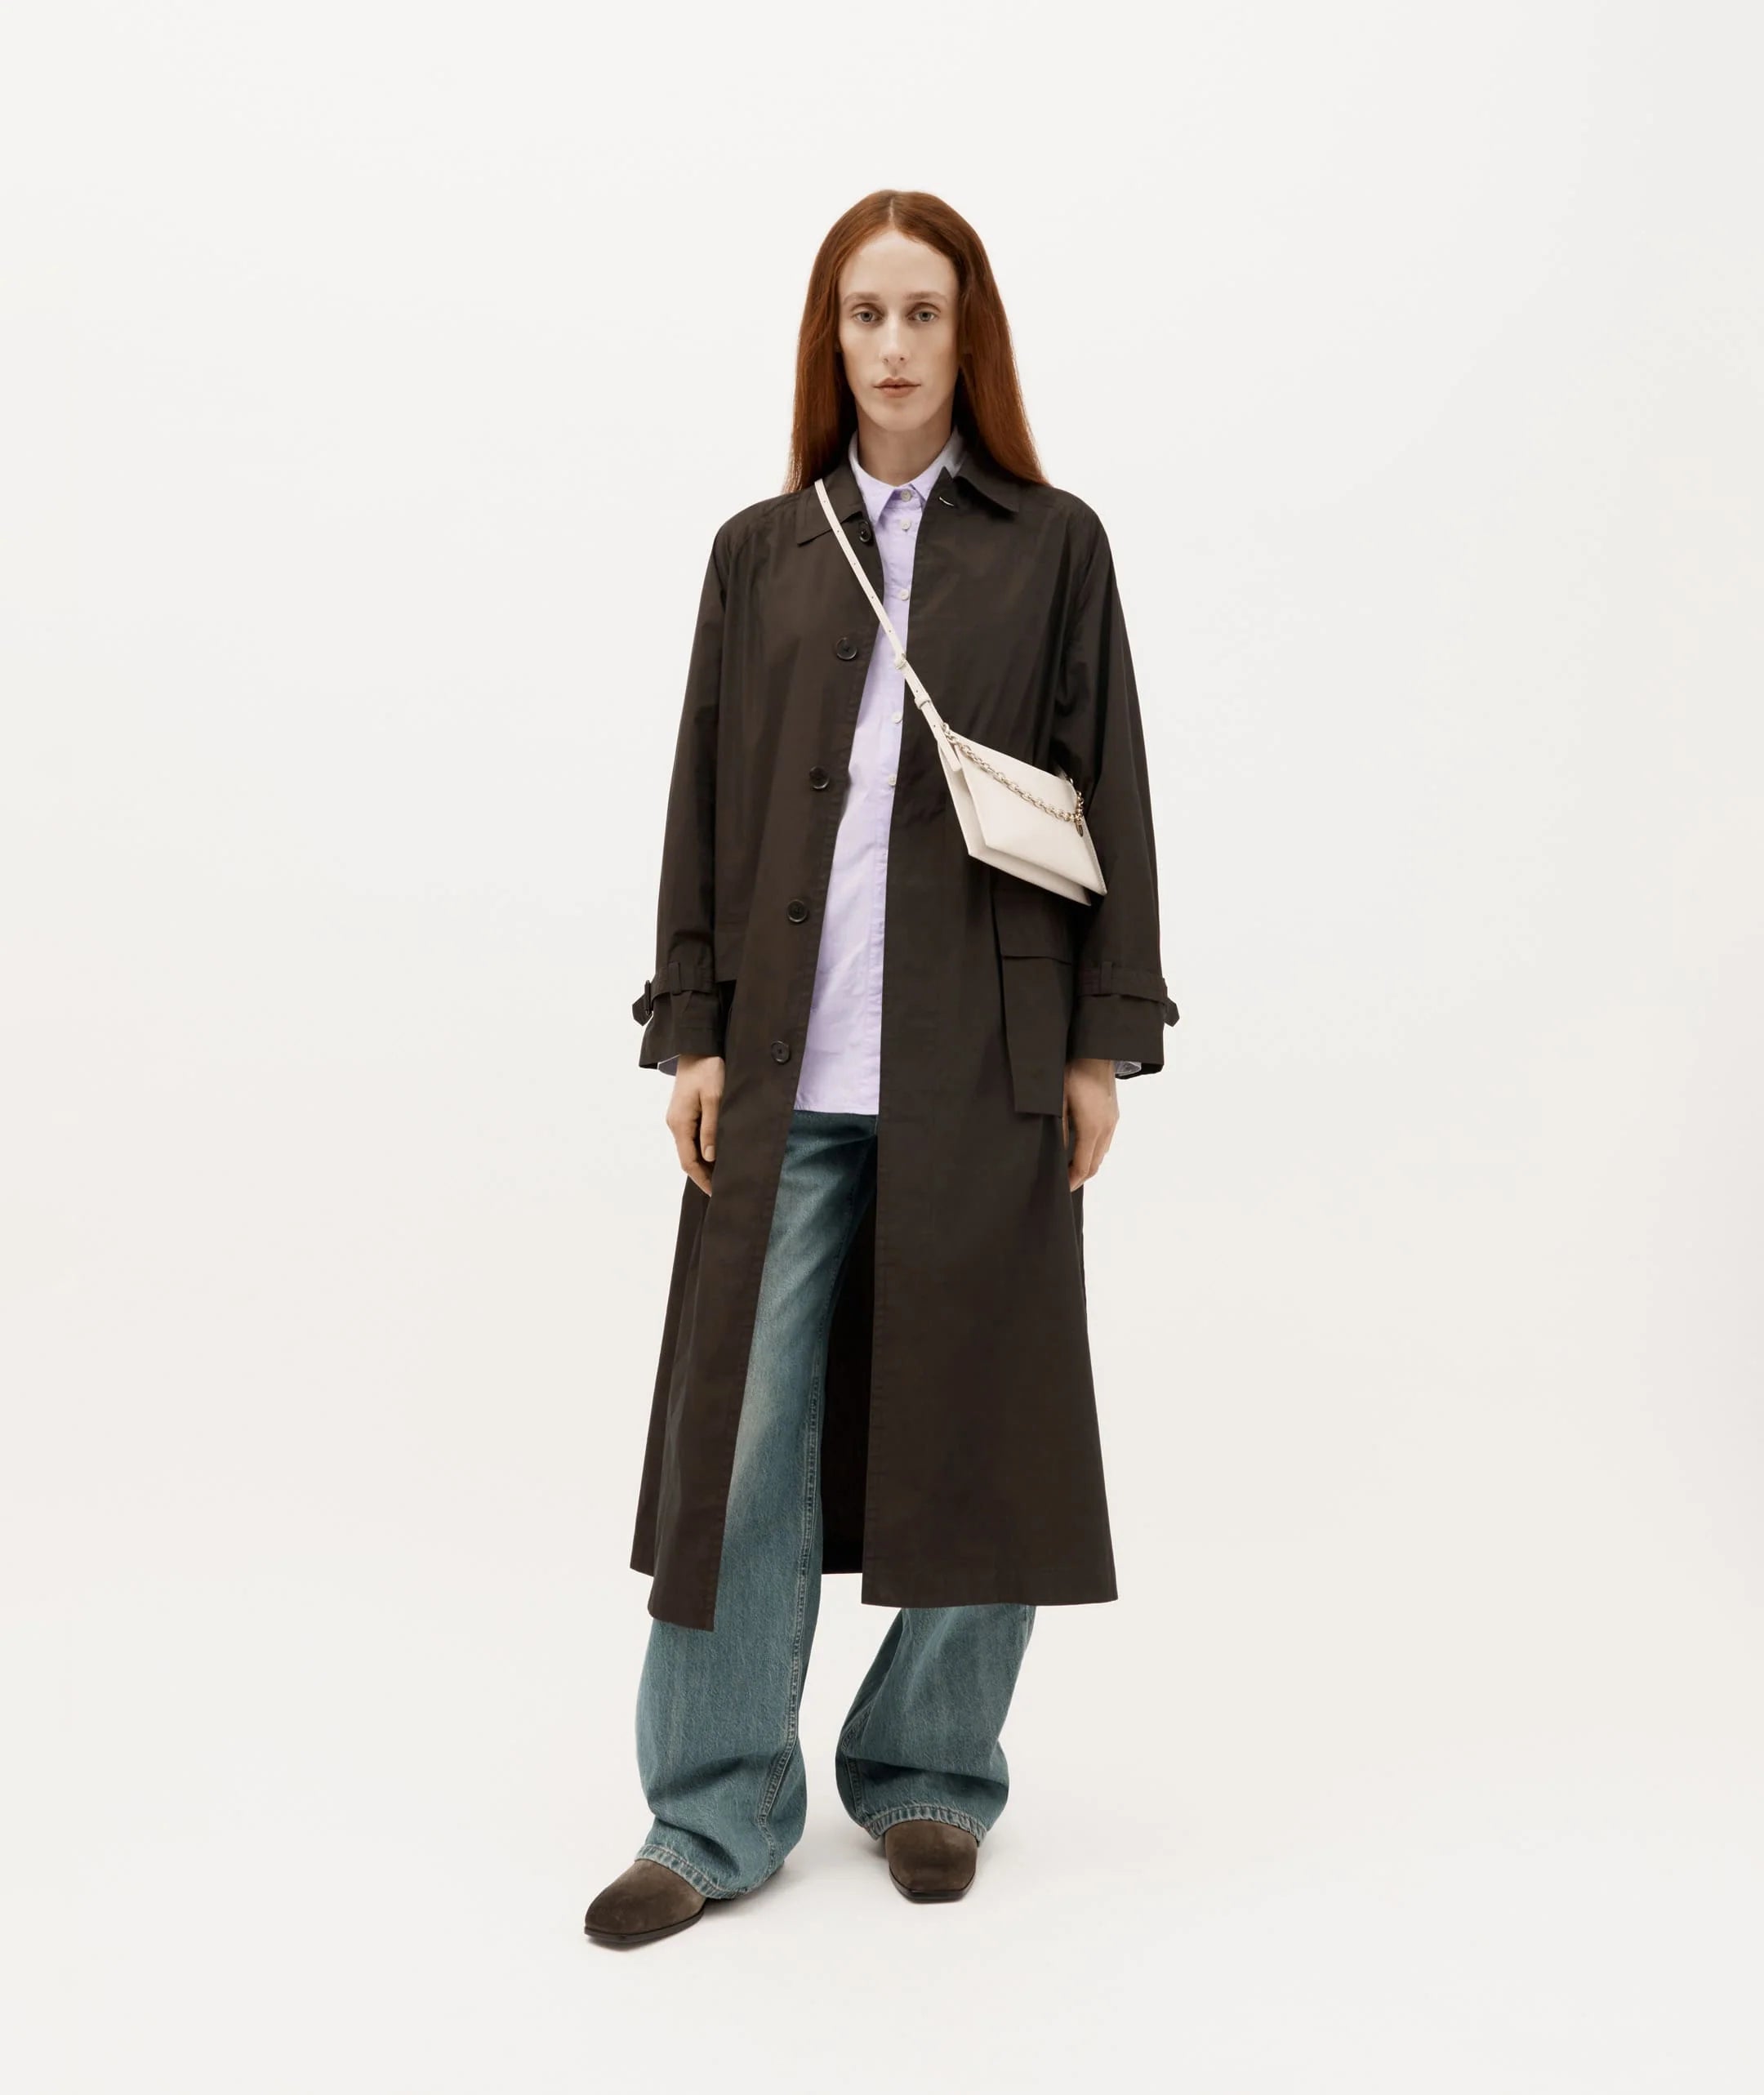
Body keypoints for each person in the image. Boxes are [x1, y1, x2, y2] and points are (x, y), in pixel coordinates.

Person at [586, 189, 1178, 1947]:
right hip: (784, 1063)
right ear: (828, 337)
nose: (896, 345)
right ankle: (712, 1807)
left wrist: (1099, 1043)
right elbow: (702, 796)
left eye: (925, 312)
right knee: (744, 1439)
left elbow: (1110, 786)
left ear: (967, 333)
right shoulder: (762, 552)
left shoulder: (1055, 545)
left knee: (981, 1415)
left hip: (984, 1054)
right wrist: (693, 1026)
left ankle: (931, 1769)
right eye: (867, 313)